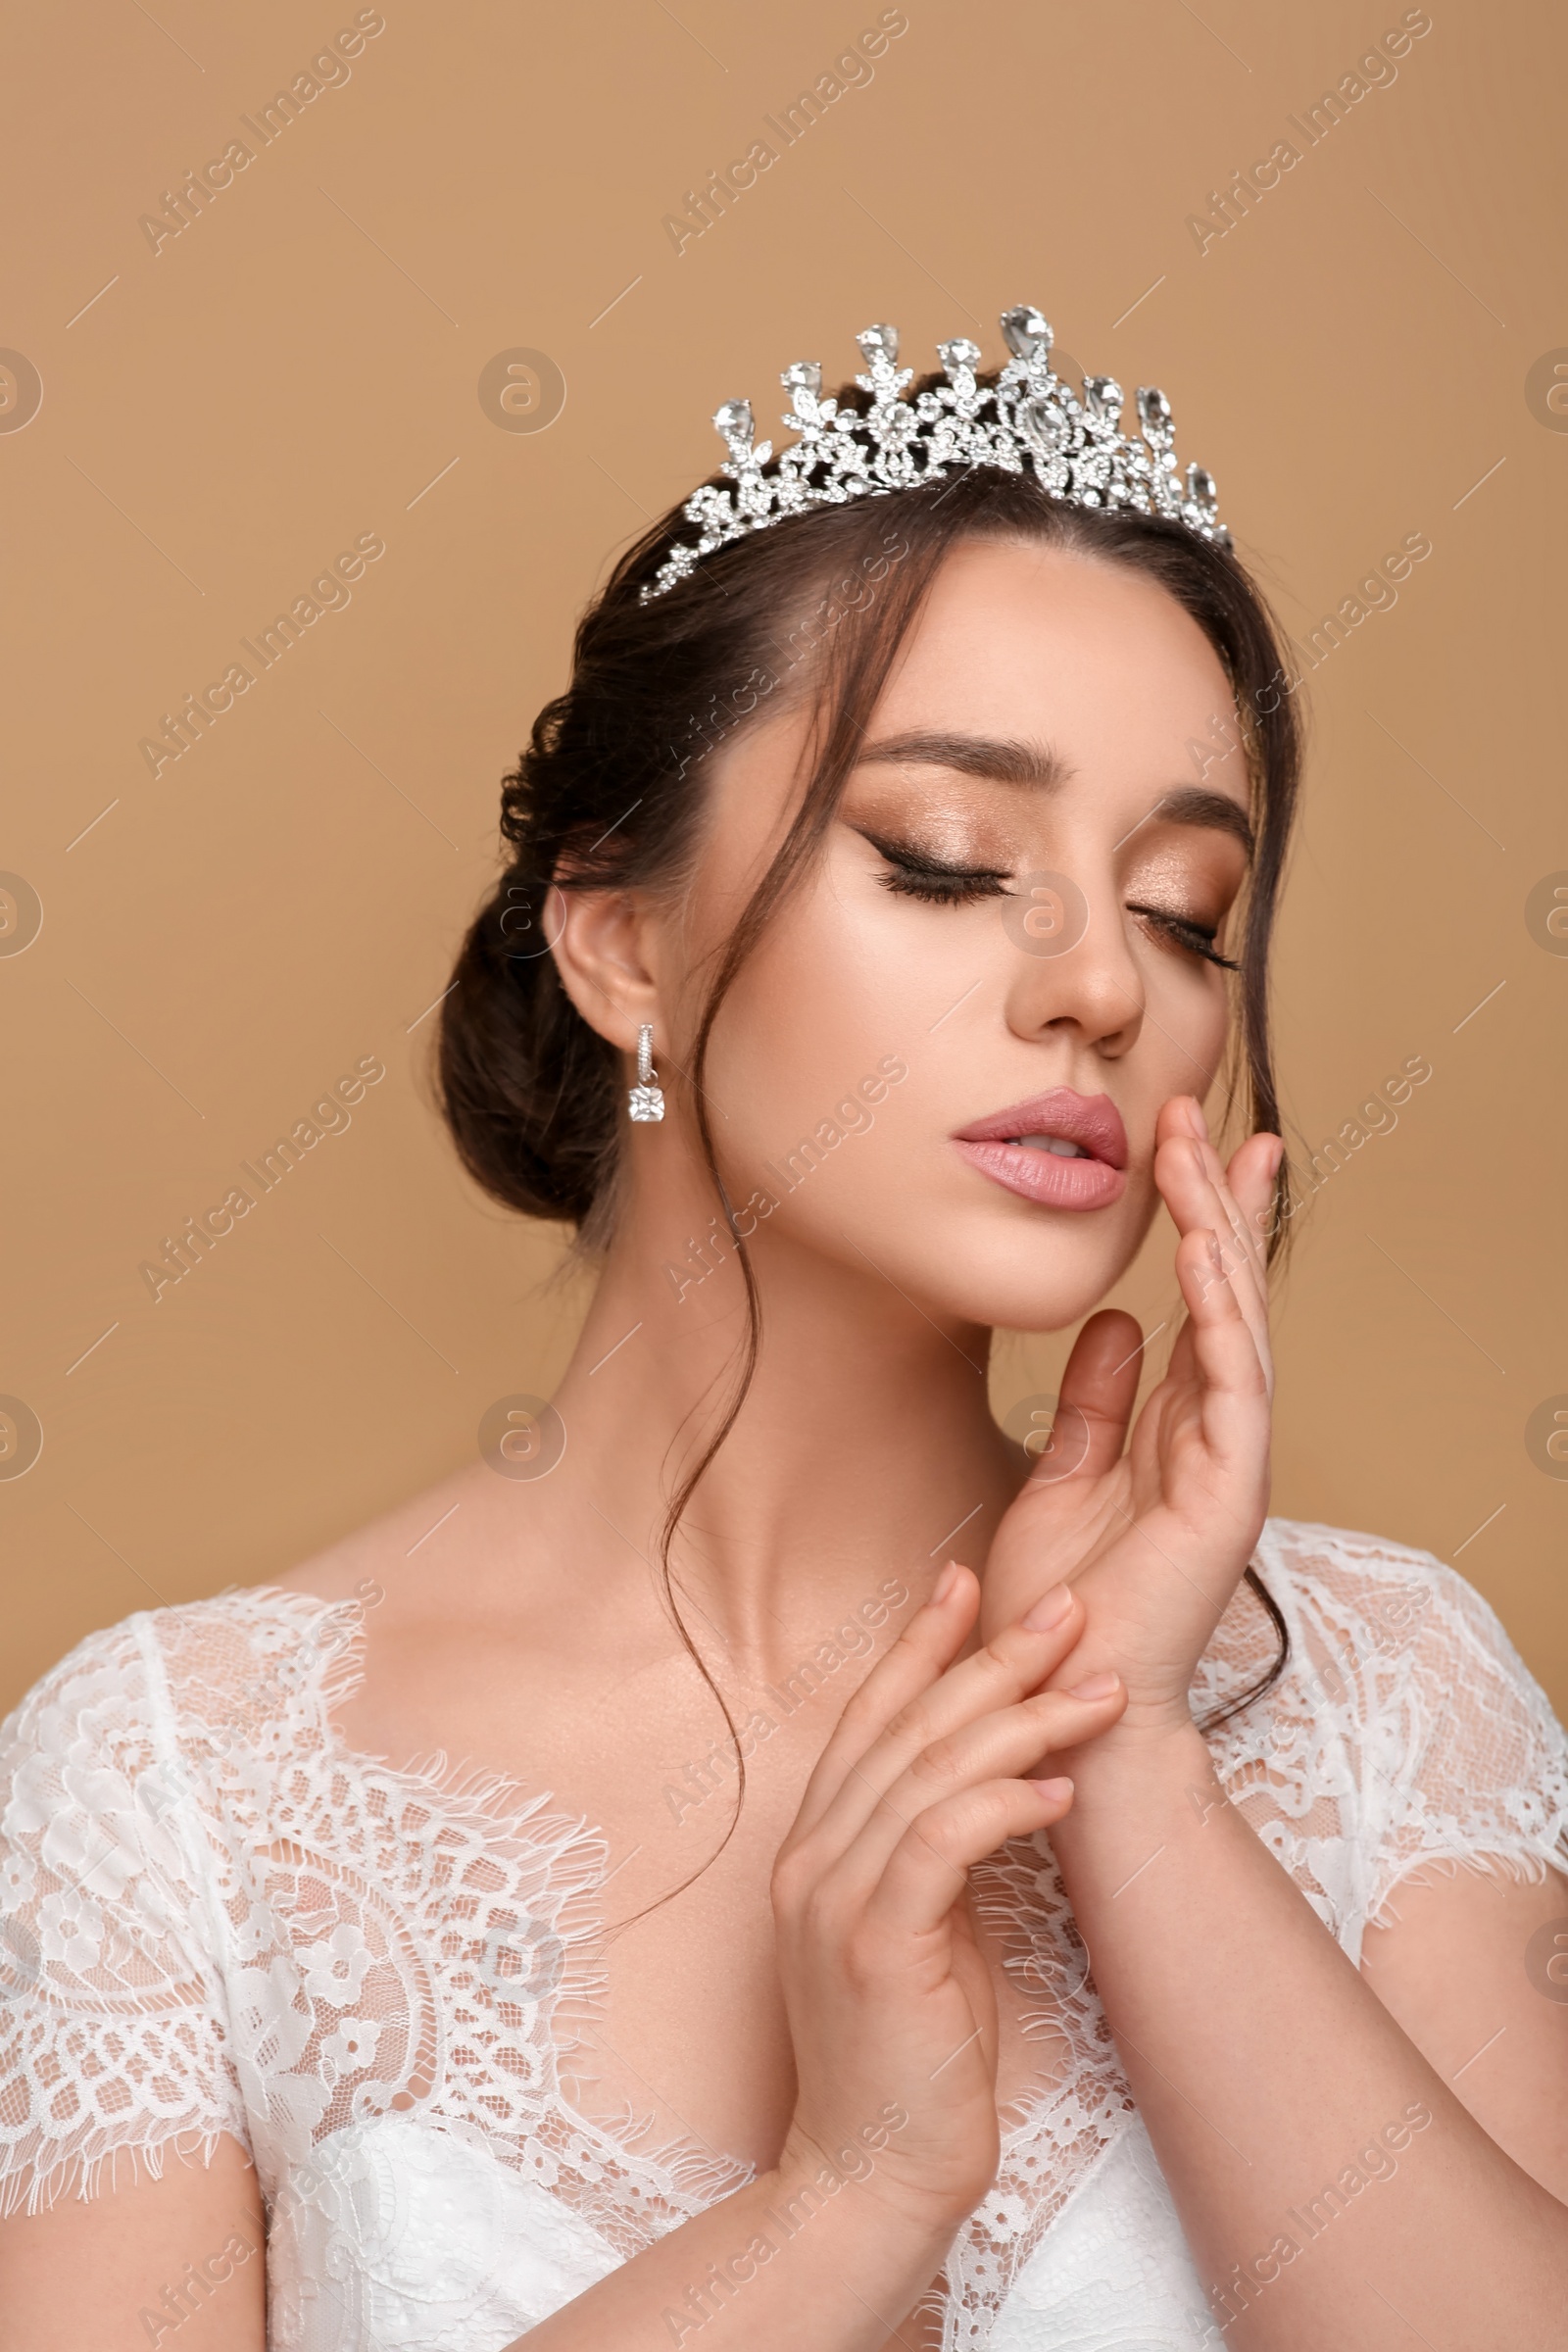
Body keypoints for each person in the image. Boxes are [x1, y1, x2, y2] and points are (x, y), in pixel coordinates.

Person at [2, 308, 1566, 2352]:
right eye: (943, 861)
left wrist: (1138, 1775)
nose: (1099, 981)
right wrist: (842, 2205)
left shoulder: (1379, 1699)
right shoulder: (179, 1791)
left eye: (1185, 910)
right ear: (623, 940)